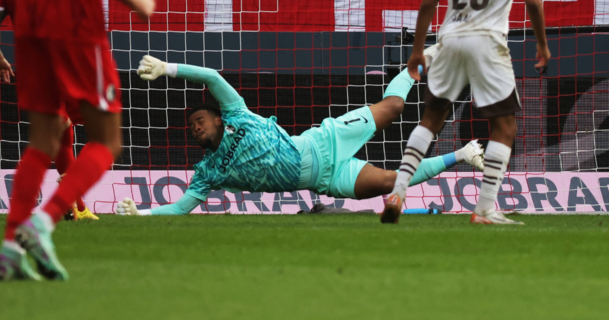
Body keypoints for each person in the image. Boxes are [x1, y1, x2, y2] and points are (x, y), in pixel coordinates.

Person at [116, 53, 485, 216]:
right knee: (391, 182)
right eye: (191, 127)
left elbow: (212, 77)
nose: (195, 127)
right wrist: (142, 215)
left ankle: (423, 60)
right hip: (325, 178)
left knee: (394, 108)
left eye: (200, 119)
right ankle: (464, 154)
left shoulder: (237, 113)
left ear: (217, 117)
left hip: (326, 141)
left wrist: (168, 69)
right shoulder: (208, 172)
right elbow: (180, 208)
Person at [0, 0, 154, 281]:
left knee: (41, 142)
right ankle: (44, 221)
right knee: (108, 141)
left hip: (31, 46)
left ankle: (10, 250)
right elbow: (144, 8)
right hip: (79, 37)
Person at [383, 0, 550, 225]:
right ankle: (484, 209)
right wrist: (542, 43)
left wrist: (417, 50)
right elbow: (533, 2)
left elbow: (428, 3)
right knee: (505, 127)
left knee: (430, 121)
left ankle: (397, 192)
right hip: (487, 40)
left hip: (450, 40)